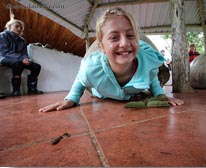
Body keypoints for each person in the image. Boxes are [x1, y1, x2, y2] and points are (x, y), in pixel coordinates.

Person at [39, 7, 184, 112]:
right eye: (114, 37)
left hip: (133, 90)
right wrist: (72, 98)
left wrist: (160, 95)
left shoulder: (146, 62)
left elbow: (151, 77)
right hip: (100, 89)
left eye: (130, 35)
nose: (125, 43)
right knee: (90, 83)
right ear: (101, 47)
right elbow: (81, 79)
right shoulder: (91, 68)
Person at [0, 19, 43, 96]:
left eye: (21, 28)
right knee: (18, 63)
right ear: (9, 26)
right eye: (17, 26)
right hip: (3, 57)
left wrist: (26, 58)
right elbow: (4, 51)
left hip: (19, 60)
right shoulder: (2, 36)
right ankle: (16, 91)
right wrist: (21, 59)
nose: (19, 29)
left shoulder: (22, 40)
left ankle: (32, 89)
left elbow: (24, 53)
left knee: (37, 67)